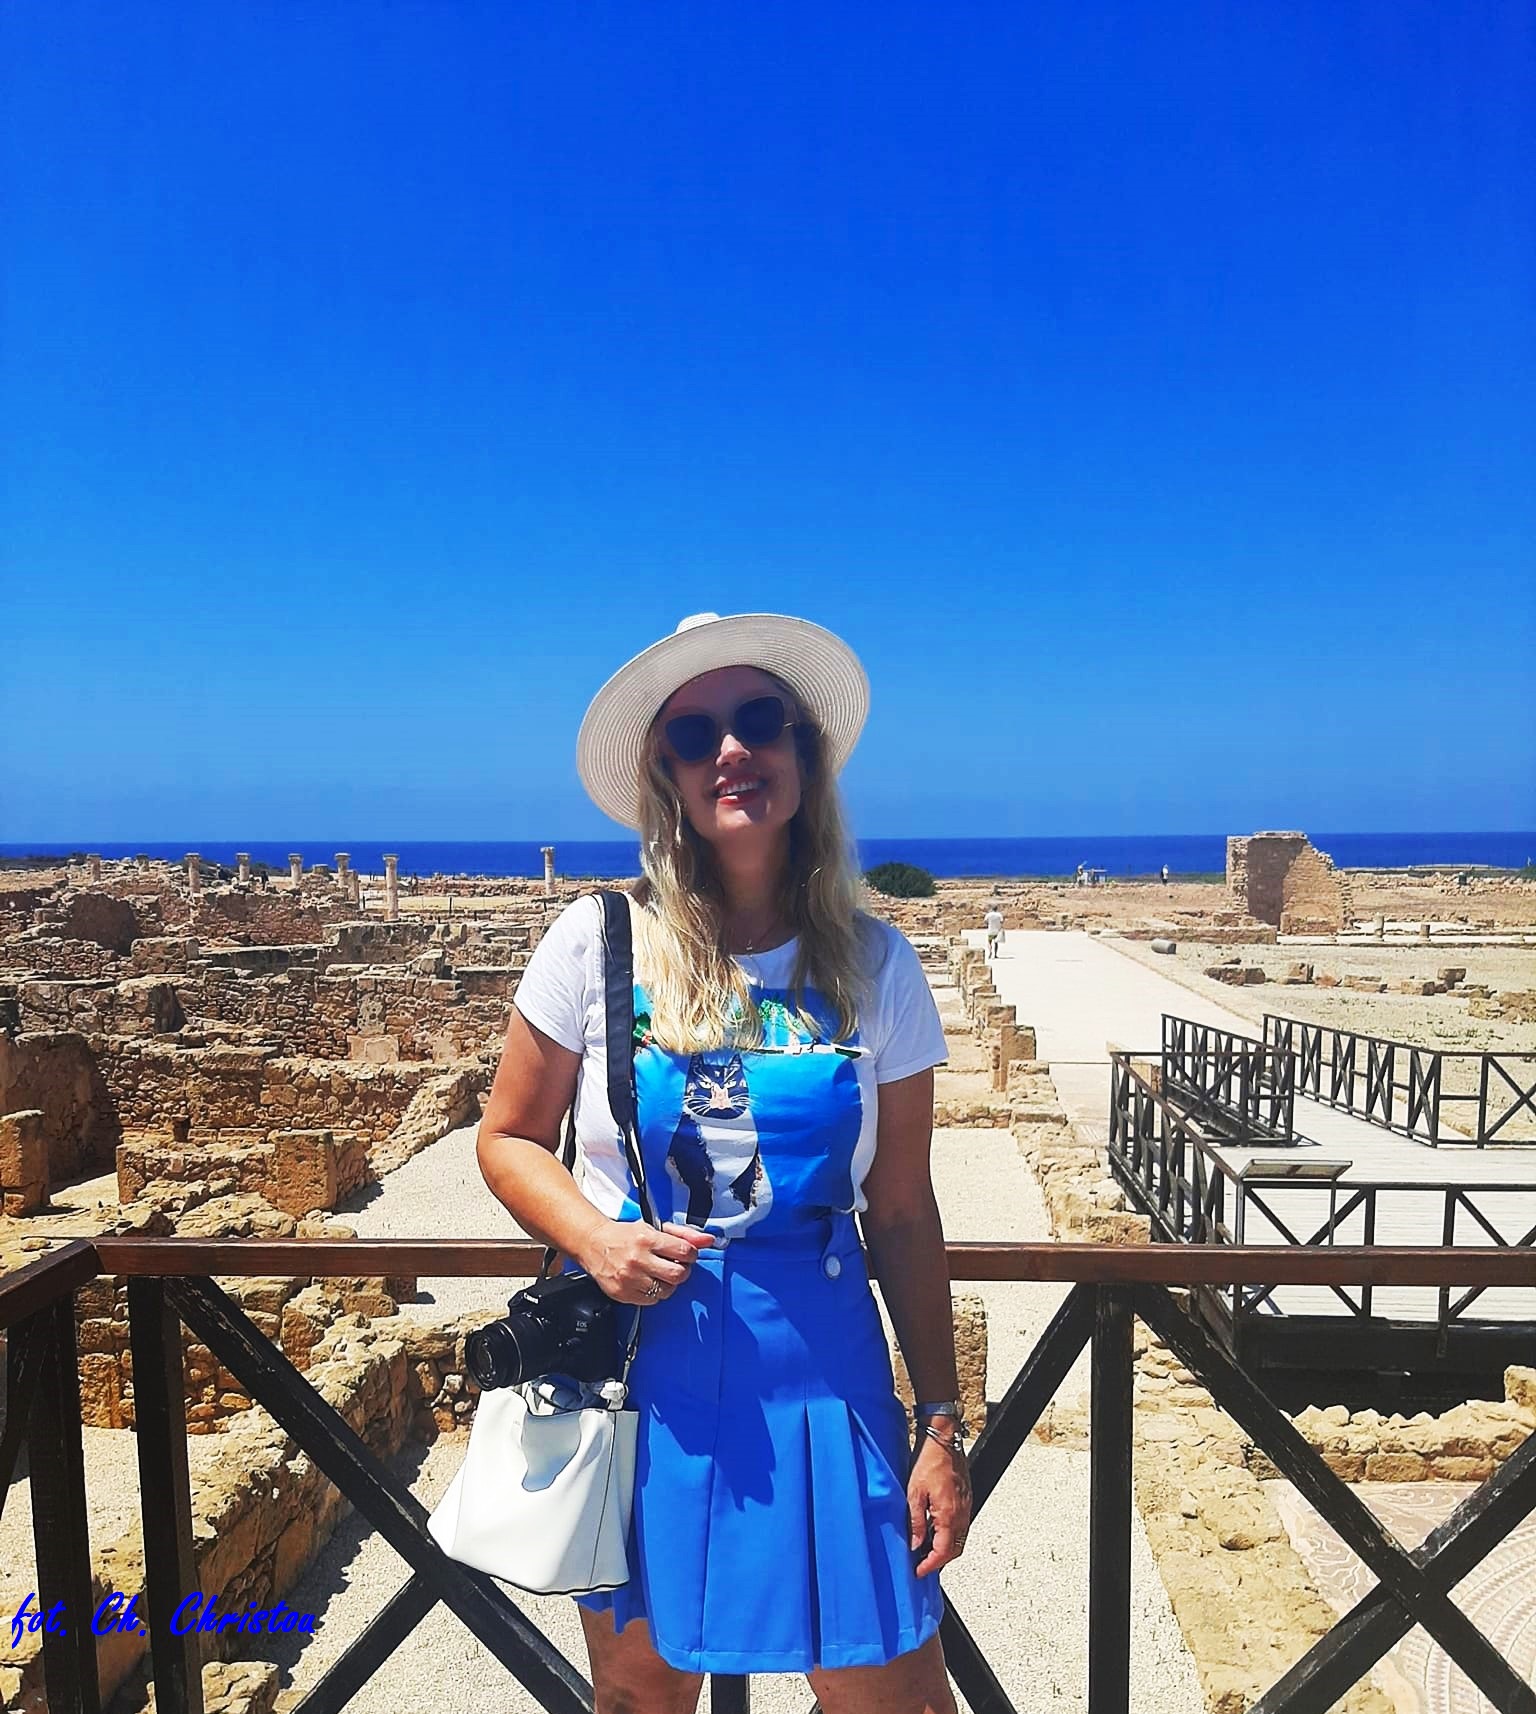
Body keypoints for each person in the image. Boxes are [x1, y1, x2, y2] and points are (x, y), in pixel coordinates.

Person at [476, 612, 969, 1714]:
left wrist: (940, 1423)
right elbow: (505, 1137)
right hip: (647, 1375)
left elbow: (902, 1212)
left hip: (826, 1373)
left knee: (891, 1690)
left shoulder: (878, 964)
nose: (731, 751)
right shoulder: (598, 940)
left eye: (758, 720)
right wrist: (595, 1237)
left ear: (804, 749)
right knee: (641, 1693)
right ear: (667, 772)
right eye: (695, 735)